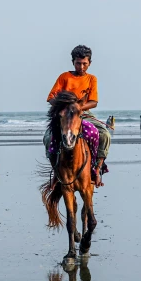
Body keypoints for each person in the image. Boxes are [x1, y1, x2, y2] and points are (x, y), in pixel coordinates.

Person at [45, 44, 111, 187]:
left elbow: (93, 102)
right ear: (73, 62)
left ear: (89, 63)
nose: (81, 67)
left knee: (105, 135)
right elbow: (50, 98)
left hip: (83, 113)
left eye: (84, 64)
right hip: (64, 114)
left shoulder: (92, 79)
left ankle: (97, 169)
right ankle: (56, 171)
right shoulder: (64, 77)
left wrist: (78, 108)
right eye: (78, 63)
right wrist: (65, 107)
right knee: (48, 138)